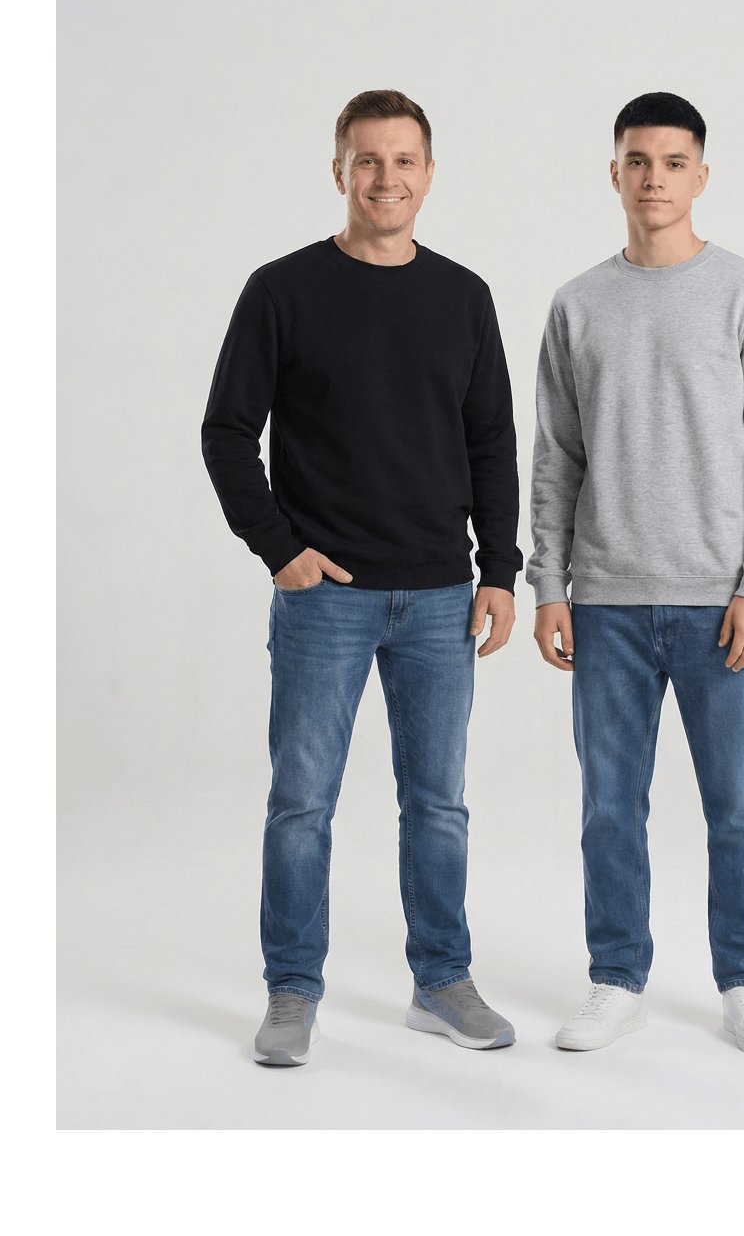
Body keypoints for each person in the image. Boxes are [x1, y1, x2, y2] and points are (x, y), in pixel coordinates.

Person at [202, 89, 522, 1065]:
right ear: (339, 169)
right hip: (324, 598)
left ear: (429, 172)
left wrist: (498, 570)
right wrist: (279, 548)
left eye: (403, 160)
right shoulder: (282, 290)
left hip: (440, 596)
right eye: (368, 159)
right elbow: (226, 431)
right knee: (303, 802)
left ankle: (442, 981)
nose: (387, 178)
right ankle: (292, 990)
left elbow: (492, 444)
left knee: (438, 803)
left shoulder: (463, 296)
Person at [527, 92, 744, 1054]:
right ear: (615, 173)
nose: (655, 179)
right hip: (605, 601)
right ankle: (616, 979)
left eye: (674, 162)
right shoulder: (577, 303)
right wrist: (549, 584)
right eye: (638, 162)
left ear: (701, 175)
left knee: (739, 806)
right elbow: (556, 457)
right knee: (610, 807)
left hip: (720, 602)